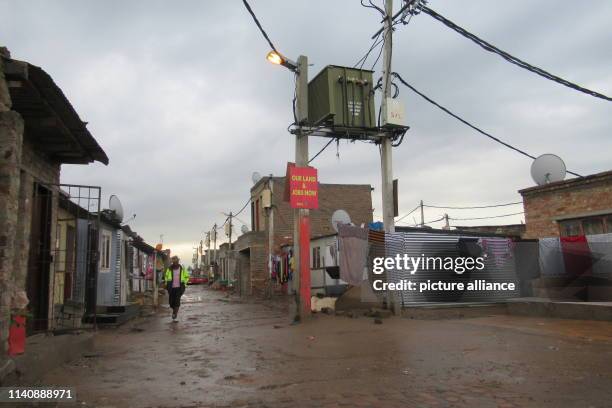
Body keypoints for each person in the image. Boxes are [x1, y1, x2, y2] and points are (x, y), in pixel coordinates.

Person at [163, 256, 189, 321]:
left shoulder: (182, 268)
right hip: (171, 288)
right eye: (173, 262)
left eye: (176, 261)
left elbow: (186, 277)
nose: (175, 263)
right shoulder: (169, 269)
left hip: (179, 288)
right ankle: (174, 309)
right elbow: (166, 277)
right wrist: (166, 284)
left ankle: (175, 313)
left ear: (178, 261)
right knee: (171, 302)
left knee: (177, 301)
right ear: (172, 262)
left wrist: (184, 284)